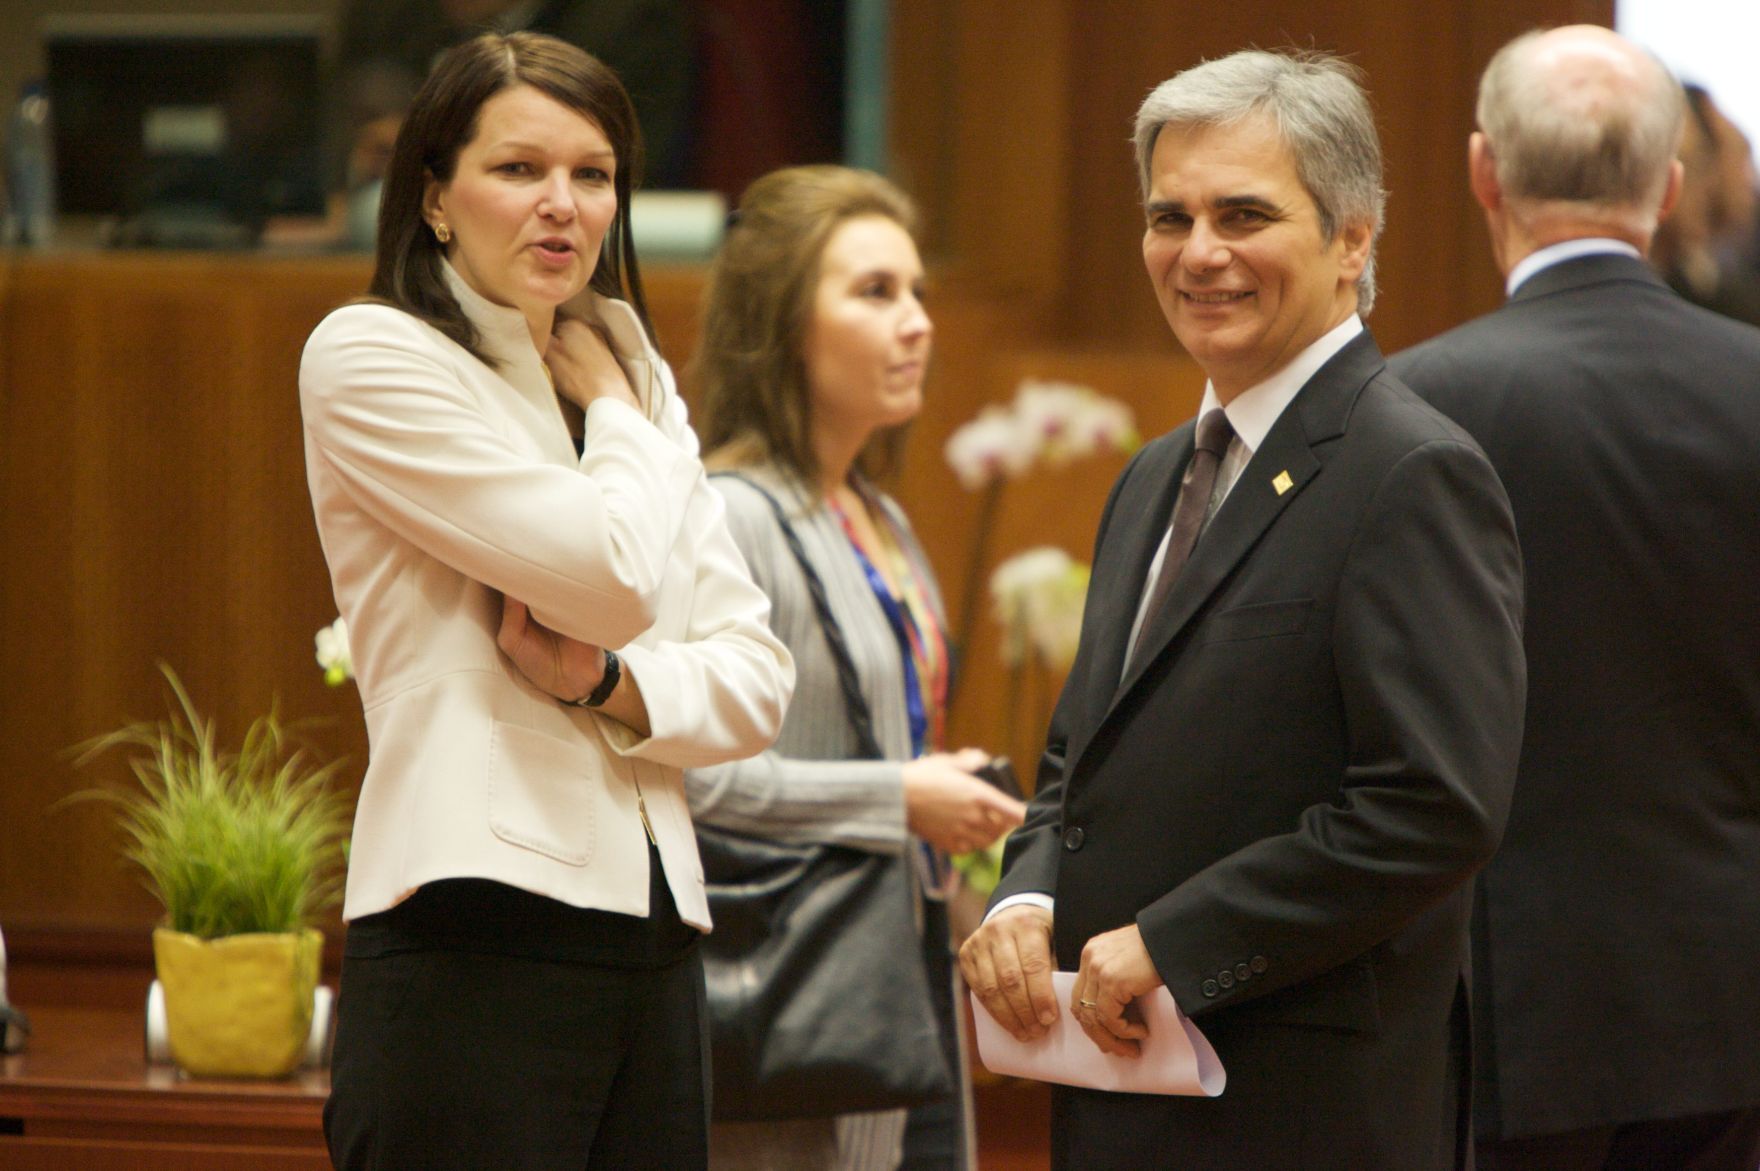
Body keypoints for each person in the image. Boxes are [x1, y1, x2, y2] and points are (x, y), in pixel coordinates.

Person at [959, 49, 1526, 1170]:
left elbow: (1432, 804)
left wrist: (1179, 942)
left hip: (1298, 1108)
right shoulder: (1151, 473)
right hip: (1118, 1091)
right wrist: (1021, 902)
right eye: (1169, 216)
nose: (1198, 252)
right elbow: (1080, 756)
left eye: (1243, 214)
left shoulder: (1407, 469)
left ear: (1351, 237)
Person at [299, 32, 793, 1170]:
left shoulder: (623, 363)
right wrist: (621, 414)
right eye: (519, 170)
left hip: (659, 930)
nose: (561, 205)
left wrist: (608, 684)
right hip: (473, 921)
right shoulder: (373, 355)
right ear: (433, 195)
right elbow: (611, 576)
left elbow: (755, 677)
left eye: (593, 173)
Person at [1389, 26, 1760, 1171]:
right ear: (1666, 186)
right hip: (1736, 1003)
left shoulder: (1409, 409)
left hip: (1507, 1010)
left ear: (1479, 173)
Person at [687, 164, 1026, 1171]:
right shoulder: (726, 515)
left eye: (916, 291)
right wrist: (898, 797)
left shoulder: (882, 518)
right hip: (791, 995)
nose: (916, 321)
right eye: (875, 293)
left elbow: (897, 743)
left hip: (907, 962)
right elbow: (689, 781)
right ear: (783, 323)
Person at [338, 0, 694, 188]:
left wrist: (429, 148)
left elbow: (634, 168)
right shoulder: (383, 13)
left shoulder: (627, 20)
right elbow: (321, 153)